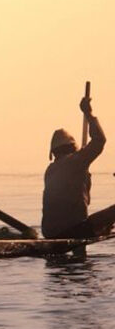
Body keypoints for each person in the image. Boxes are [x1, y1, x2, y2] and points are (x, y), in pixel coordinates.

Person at [42, 95, 115, 239]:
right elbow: (99, 140)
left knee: (91, 223)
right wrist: (88, 113)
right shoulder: (76, 161)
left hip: (50, 232)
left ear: (54, 152)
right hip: (73, 229)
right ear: (73, 147)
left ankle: (95, 229)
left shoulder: (50, 170)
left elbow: (81, 200)